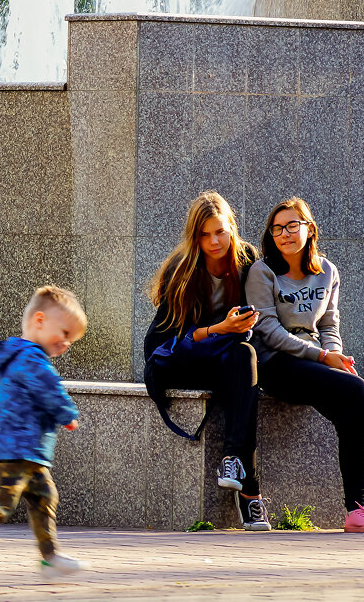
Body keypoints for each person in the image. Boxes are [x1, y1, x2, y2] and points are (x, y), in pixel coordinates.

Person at [245, 197, 364, 532]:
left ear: (309, 229)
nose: (284, 234)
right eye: (277, 229)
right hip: (275, 365)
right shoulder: (262, 272)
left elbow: (328, 326)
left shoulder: (328, 271)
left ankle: (356, 512)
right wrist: (323, 357)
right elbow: (268, 331)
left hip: (315, 365)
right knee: (356, 388)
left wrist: (334, 358)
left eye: (292, 225)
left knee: (351, 411)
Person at [143, 191, 270, 531]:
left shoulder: (247, 260)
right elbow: (179, 336)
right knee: (241, 375)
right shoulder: (181, 268)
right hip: (183, 355)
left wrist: (245, 324)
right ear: (195, 236)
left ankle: (231, 460)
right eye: (205, 234)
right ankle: (251, 495)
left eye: (221, 231)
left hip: (227, 352)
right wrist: (220, 327)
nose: (215, 241)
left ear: (232, 228)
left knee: (245, 357)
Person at [0, 285, 88, 586]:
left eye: (70, 339)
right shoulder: (32, 359)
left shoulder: (10, 358)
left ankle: (49, 558)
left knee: (44, 496)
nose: (66, 343)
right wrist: (67, 413)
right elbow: (50, 389)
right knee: (1, 504)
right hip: (13, 450)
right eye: (63, 333)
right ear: (39, 320)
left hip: (26, 451)